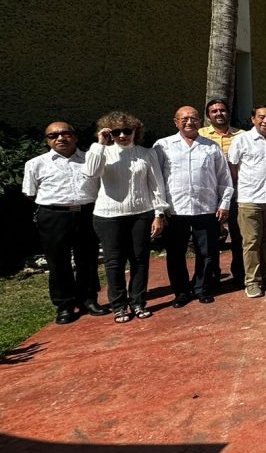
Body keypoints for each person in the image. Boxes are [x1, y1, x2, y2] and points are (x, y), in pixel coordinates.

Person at [83, 111, 168, 323]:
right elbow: (91, 172)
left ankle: (138, 302)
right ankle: (119, 305)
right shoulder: (100, 152)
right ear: (109, 133)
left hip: (141, 214)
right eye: (116, 132)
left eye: (127, 131)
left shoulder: (146, 153)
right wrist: (100, 143)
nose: (122, 135)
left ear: (135, 131)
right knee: (114, 262)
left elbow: (156, 185)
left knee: (140, 260)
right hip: (108, 216)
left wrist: (159, 213)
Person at [22, 122, 107, 323]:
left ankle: (88, 299)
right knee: (58, 262)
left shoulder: (90, 159)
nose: (60, 138)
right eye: (53, 135)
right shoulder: (35, 164)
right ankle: (64, 305)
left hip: (87, 213)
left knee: (88, 259)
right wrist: (57, 206)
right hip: (53, 216)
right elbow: (30, 193)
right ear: (48, 140)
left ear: (75, 137)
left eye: (65, 133)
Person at [153, 106, 233, 307]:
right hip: (175, 210)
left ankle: (202, 288)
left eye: (194, 118)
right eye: (184, 119)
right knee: (176, 254)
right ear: (176, 121)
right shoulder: (162, 146)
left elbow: (224, 178)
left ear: (200, 121)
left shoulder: (211, 147)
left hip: (205, 208)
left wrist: (224, 203)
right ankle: (181, 292)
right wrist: (159, 211)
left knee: (207, 253)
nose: (189, 122)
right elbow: (155, 181)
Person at [228, 105, 266, 298]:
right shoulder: (241, 140)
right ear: (253, 119)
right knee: (251, 242)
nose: (265, 121)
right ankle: (252, 281)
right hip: (248, 199)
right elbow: (233, 168)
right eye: (261, 117)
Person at [199, 98, 244, 286]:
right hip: (209, 195)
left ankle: (240, 274)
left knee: (239, 236)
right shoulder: (200, 135)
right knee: (211, 239)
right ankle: (212, 275)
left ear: (228, 112)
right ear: (208, 115)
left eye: (222, 110)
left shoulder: (242, 135)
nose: (219, 114)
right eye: (214, 111)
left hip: (237, 194)